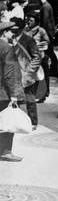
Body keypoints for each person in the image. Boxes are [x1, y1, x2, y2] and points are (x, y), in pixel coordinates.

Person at [0, 20, 25, 161]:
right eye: (11, 31)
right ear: (4, 32)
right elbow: (10, 73)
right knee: (7, 123)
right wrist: (14, 95)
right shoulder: (6, 48)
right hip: (3, 92)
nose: (13, 34)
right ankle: (5, 151)